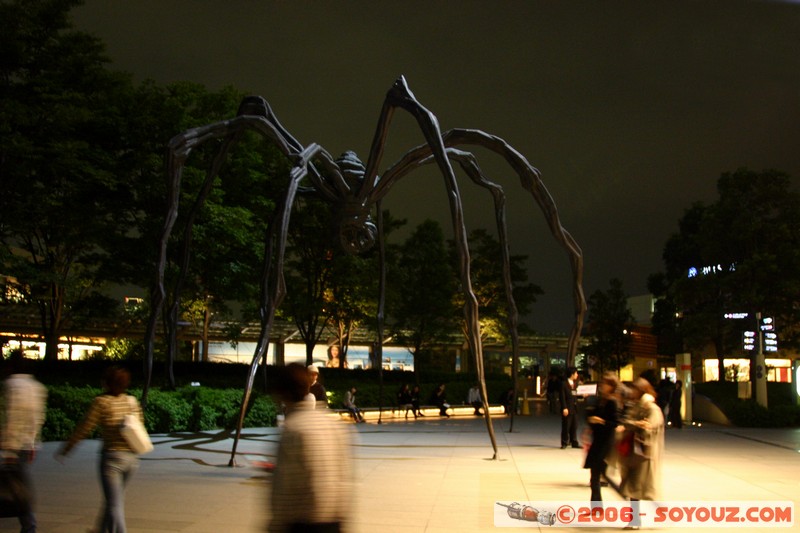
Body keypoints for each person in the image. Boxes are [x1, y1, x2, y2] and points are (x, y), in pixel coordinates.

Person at [56, 366, 144, 533]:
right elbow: (140, 426)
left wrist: (67, 448)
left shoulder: (102, 402)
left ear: (107, 383)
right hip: (132, 460)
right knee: (113, 500)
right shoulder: (132, 401)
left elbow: (85, 427)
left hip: (112, 459)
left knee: (114, 504)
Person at [268, 363, 353, 532]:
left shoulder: (292, 429)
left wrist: (276, 524)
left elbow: (283, 487)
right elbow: (345, 478)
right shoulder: (334, 426)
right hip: (333, 521)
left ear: (284, 394)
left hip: (302, 523)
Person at [1, 351, 47, 533]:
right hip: (28, 445)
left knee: (17, 488)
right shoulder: (37, 387)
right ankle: (29, 525)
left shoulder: (12, 385)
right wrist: (33, 442)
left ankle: (29, 526)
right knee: (18, 485)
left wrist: (8, 451)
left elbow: (11, 418)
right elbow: (37, 418)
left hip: (13, 445)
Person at [617, 377, 665, 529]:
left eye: (635, 389)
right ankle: (649, 513)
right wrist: (636, 424)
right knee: (635, 488)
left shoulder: (652, 408)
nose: (632, 392)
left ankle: (639, 518)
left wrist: (638, 425)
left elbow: (650, 426)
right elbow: (627, 421)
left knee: (637, 487)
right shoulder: (636, 406)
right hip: (634, 452)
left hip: (645, 453)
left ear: (642, 390)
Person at [583, 372, 621, 504]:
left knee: (600, 474)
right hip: (597, 440)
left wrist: (600, 421)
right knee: (595, 475)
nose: (601, 385)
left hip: (605, 442)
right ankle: (596, 506)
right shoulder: (600, 400)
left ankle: (624, 493)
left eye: (605, 383)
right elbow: (589, 416)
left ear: (611, 386)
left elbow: (615, 423)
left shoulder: (612, 402)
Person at [559, 367, 580, 448]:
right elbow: (562, 397)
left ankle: (574, 441)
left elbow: (576, 395)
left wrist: (583, 395)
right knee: (566, 425)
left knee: (574, 426)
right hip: (567, 407)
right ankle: (564, 442)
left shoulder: (576, 384)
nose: (577, 375)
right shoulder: (564, 384)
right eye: (576, 373)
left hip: (575, 408)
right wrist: (564, 407)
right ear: (572, 374)